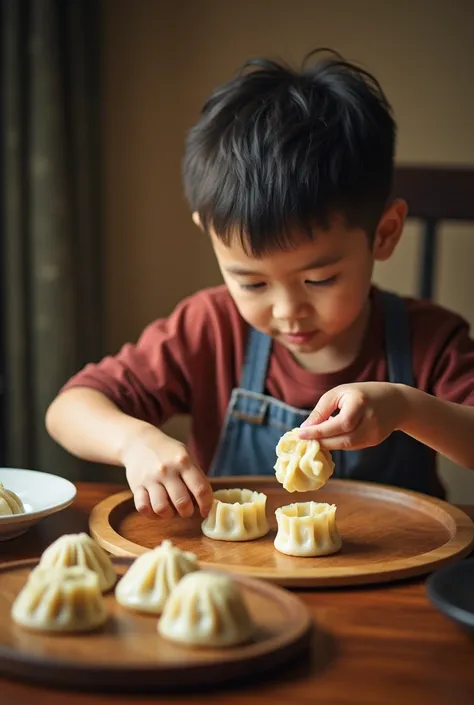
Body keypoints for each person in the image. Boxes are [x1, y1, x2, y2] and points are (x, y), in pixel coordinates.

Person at [45, 49, 474, 520]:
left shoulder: (430, 342)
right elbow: (68, 410)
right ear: (211, 239)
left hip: (397, 586)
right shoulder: (208, 329)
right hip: (237, 579)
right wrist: (134, 440)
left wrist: (407, 409)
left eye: (320, 278)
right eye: (250, 283)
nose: (288, 310)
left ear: (385, 233)